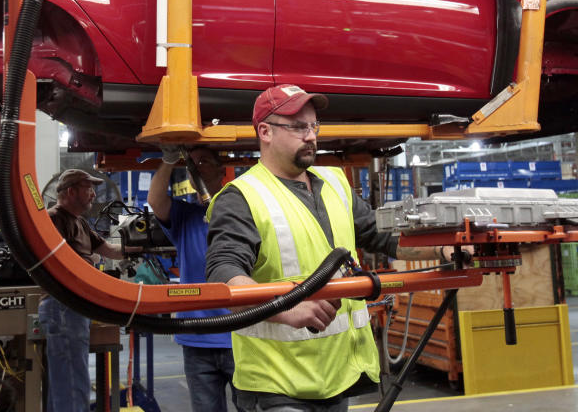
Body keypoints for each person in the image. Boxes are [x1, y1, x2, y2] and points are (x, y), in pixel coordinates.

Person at [206, 84, 443, 412]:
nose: (310, 136)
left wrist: (443, 249)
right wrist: (286, 308)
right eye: (298, 126)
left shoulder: (335, 183)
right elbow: (226, 276)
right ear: (265, 131)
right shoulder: (242, 197)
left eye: (314, 126)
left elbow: (382, 237)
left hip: (336, 377)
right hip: (278, 386)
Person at [147, 146, 236, 412]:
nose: (196, 169)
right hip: (197, 338)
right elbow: (155, 199)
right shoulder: (185, 215)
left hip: (240, 335)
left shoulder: (239, 212)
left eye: (204, 162)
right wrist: (168, 160)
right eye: (192, 164)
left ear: (222, 171)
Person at [39, 168, 124, 412]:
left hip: (74, 306)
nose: (93, 195)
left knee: (66, 380)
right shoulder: (54, 218)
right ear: (71, 191)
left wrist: (139, 246)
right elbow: (61, 263)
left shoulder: (79, 222)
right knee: (72, 379)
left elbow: (108, 249)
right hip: (63, 305)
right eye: (89, 189)